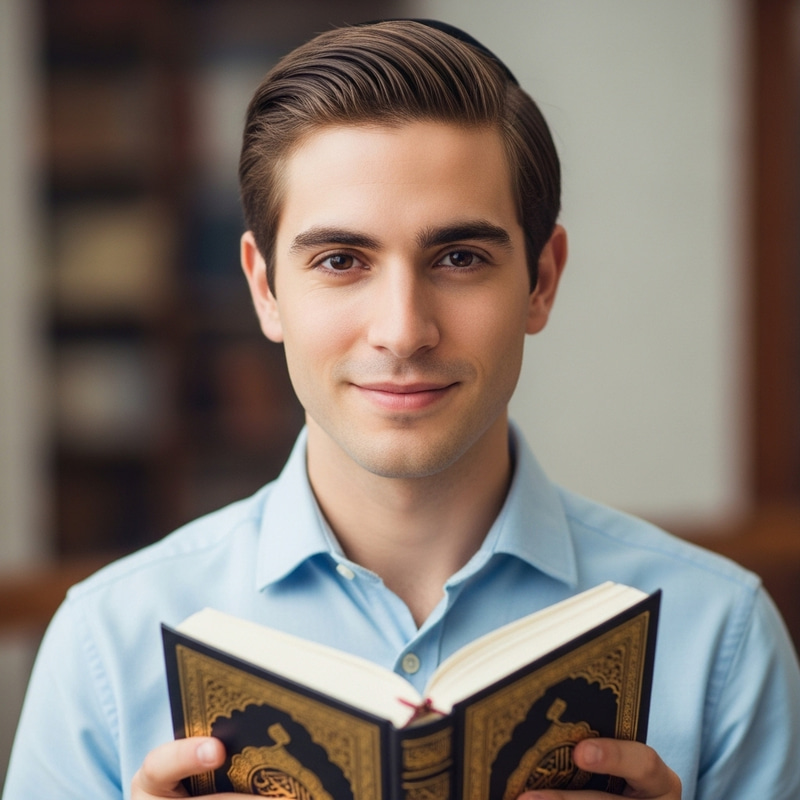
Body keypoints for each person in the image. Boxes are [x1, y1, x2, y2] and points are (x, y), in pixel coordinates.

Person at [4, 19, 799, 800]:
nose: (403, 331)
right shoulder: (106, 642)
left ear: (542, 280)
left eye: (459, 258)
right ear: (264, 288)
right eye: (341, 260)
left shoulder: (721, 637)